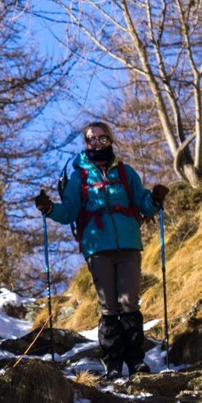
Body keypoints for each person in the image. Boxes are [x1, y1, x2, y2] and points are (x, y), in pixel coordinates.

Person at [34, 121, 168, 379]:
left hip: (129, 243)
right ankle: (113, 363)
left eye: (101, 138)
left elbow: (143, 204)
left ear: (110, 140)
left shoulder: (126, 173)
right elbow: (70, 211)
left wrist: (155, 200)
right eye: (91, 139)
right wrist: (49, 209)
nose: (96, 143)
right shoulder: (78, 177)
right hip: (97, 246)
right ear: (85, 144)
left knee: (129, 302)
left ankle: (136, 361)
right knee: (109, 306)